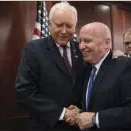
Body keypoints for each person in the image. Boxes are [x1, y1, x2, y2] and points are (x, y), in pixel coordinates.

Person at [69, 22, 131, 130]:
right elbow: (97, 104)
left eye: (87, 41)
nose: (81, 46)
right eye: (80, 41)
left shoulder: (128, 66)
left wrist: (96, 119)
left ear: (107, 43)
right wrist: (79, 112)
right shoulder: (87, 69)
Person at [15, 2, 84, 130]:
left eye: (69, 26)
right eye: (59, 25)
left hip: (78, 125)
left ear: (75, 26)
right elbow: (23, 92)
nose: (64, 31)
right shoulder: (33, 50)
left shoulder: (81, 50)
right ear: (50, 24)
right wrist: (62, 113)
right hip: (47, 125)